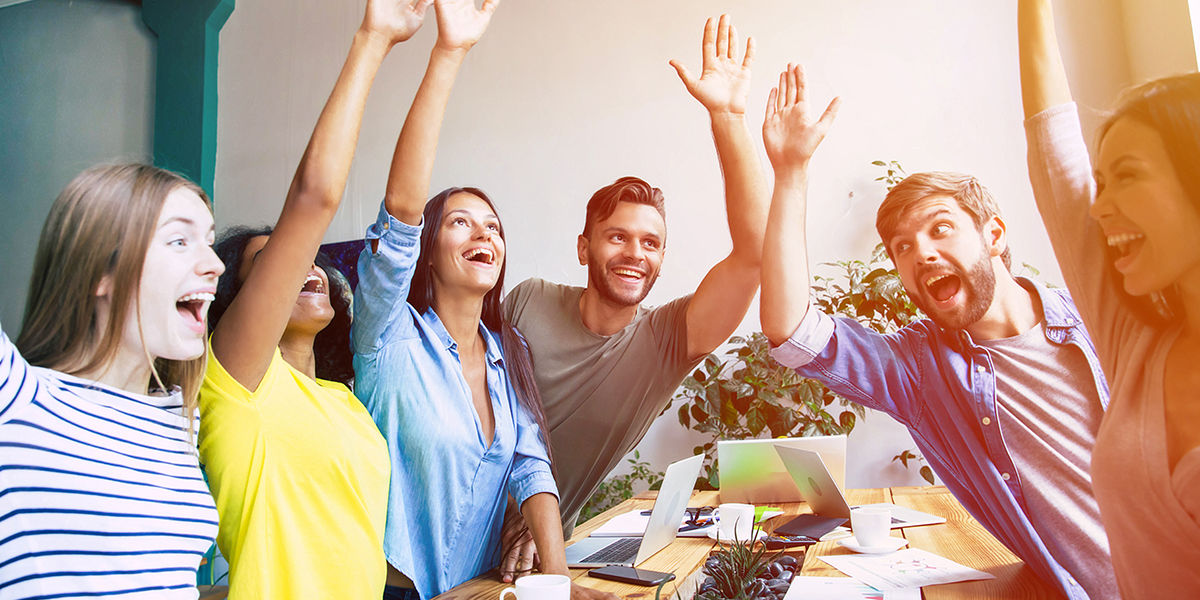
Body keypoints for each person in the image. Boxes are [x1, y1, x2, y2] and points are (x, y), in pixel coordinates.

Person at [759, 63, 1117, 599]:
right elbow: (793, 333)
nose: (921, 252)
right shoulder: (921, 371)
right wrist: (790, 172)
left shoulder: (1097, 315)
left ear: (993, 233)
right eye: (902, 246)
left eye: (940, 228)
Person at [350, 2, 614, 599]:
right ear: (427, 251)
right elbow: (400, 212)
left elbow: (530, 468)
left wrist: (560, 580)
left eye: (493, 227)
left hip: (475, 590)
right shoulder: (388, 334)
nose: (483, 235)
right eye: (461, 224)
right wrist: (450, 52)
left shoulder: (504, 356)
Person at [498, 14, 770, 577]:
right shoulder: (527, 300)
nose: (634, 254)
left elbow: (754, 252)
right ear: (584, 247)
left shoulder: (668, 339)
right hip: (446, 536)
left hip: (538, 561)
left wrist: (727, 117)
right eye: (617, 236)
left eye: (651, 243)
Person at [197, 1, 428, 597]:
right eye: (274, 264)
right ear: (240, 302)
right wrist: (374, 38)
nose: (309, 268)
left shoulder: (343, 401)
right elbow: (314, 197)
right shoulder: (236, 381)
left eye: (310, 260)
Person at [1017, 0, 1200, 595]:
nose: (1099, 206)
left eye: (1126, 175)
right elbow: (1056, 161)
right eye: (1100, 182)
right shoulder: (1139, 343)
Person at [0, 163, 223, 598]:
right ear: (100, 269)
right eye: (179, 240)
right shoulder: (16, 398)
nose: (214, 264)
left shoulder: (178, 420)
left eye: (209, 243)